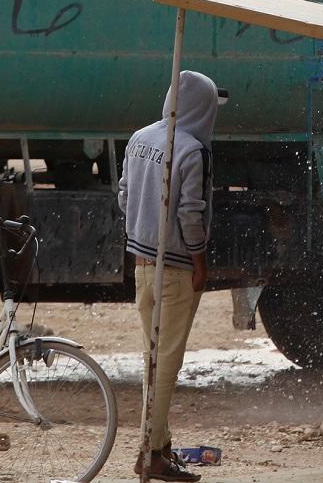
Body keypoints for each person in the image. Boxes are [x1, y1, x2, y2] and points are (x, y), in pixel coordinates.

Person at [118, 70, 221, 483]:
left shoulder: (140, 137)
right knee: (166, 364)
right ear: (203, 107)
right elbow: (189, 214)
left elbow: (124, 194)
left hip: (142, 265)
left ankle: (157, 445)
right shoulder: (193, 150)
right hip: (176, 269)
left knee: (153, 359)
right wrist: (199, 263)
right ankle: (150, 455)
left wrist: (142, 229)